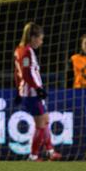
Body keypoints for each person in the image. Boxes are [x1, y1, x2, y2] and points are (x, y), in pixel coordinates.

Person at [14, 22, 61, 162]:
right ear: (33, 37)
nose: (41, 42)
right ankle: (33, 156)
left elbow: (17, 73)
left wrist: (18, 90)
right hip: (32, 94)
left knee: (45, 120)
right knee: (41, 124)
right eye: (40, 38)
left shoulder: (19, 50)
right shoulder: (26, 51)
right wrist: (38, 88)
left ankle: (50, 151)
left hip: (29, 93)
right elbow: (26, 73)